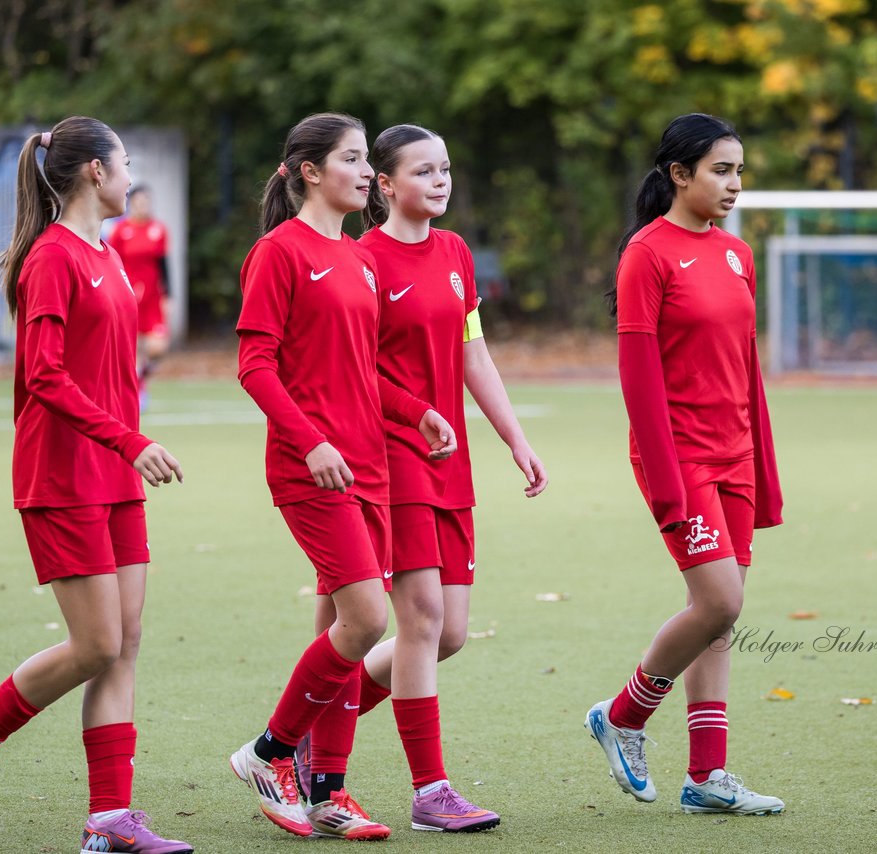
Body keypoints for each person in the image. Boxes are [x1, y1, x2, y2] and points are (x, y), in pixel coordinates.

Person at [0, 116, 190, 853]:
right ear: (93, 173)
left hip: (113, 475)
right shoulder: (53, 258)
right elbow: (43, 375)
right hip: (62, 474)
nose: (134, 177)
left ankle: (110, 820)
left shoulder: (106, 256)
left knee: (126, 640)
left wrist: (126, 448)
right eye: (127, 163)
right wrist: (131, 440)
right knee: (97, 643)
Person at [227, 112, 458, 841]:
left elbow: (361, 371)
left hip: (373, 468)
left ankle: (327, 791)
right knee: (367, 619)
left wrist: (417, 411)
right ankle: (269, 753)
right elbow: (254, 366)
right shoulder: (279, 253)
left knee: (340, 626)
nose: (366, 173)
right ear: (309, 172)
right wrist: (309, 441)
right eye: (353, 161)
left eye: (367, 161)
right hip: (312, 470)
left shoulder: (359, 258)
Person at [331, 123, 548, 833]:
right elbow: (354, 368)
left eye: (446, 169)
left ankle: (305, 726)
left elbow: (473, 357)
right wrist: (415, 412)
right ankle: (430, 793)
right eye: (423, 171)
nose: (440, 181)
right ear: (385, 185)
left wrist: (515, 439)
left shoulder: (454, 253)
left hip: (448, 462)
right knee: (419, 620)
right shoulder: (361, 259)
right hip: (389, 462)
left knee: (449, 633)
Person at [583, 113, 785, 817]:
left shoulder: (736, 255)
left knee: (720, 621)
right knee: (720, 601)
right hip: (679, 456)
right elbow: (638, 380)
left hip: (736, 455)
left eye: (738, 171)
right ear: (679, 174)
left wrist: (764, 468)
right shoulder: (648, 253)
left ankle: (708, 777)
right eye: (720, 170)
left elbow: (746, 370)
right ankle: (623, 716)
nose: (734, 185)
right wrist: (667, 482)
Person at [107, 186, 171, 410]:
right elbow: (111, 263)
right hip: (128, 296)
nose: (143, 205)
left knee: (157, 348)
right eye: (139, 201)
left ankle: (141, 378)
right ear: (131, 203)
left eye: (147, 201)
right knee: (129, 349)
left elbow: (164, 265)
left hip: (152, 297)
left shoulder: (158, 229)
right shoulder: (120, 230)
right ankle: (131, 391)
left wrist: (168, 295)